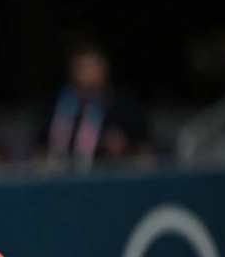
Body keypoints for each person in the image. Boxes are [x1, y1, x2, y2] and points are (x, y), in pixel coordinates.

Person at [36, 41, 151, 170]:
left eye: (94, 67)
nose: (89, 73)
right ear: (73, 71)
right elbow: (40, 149)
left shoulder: (124, 108)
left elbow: (145, 155)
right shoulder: (57, 108)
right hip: (60, 180)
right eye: (84, 67)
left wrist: (126, 149)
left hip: (110, 179)